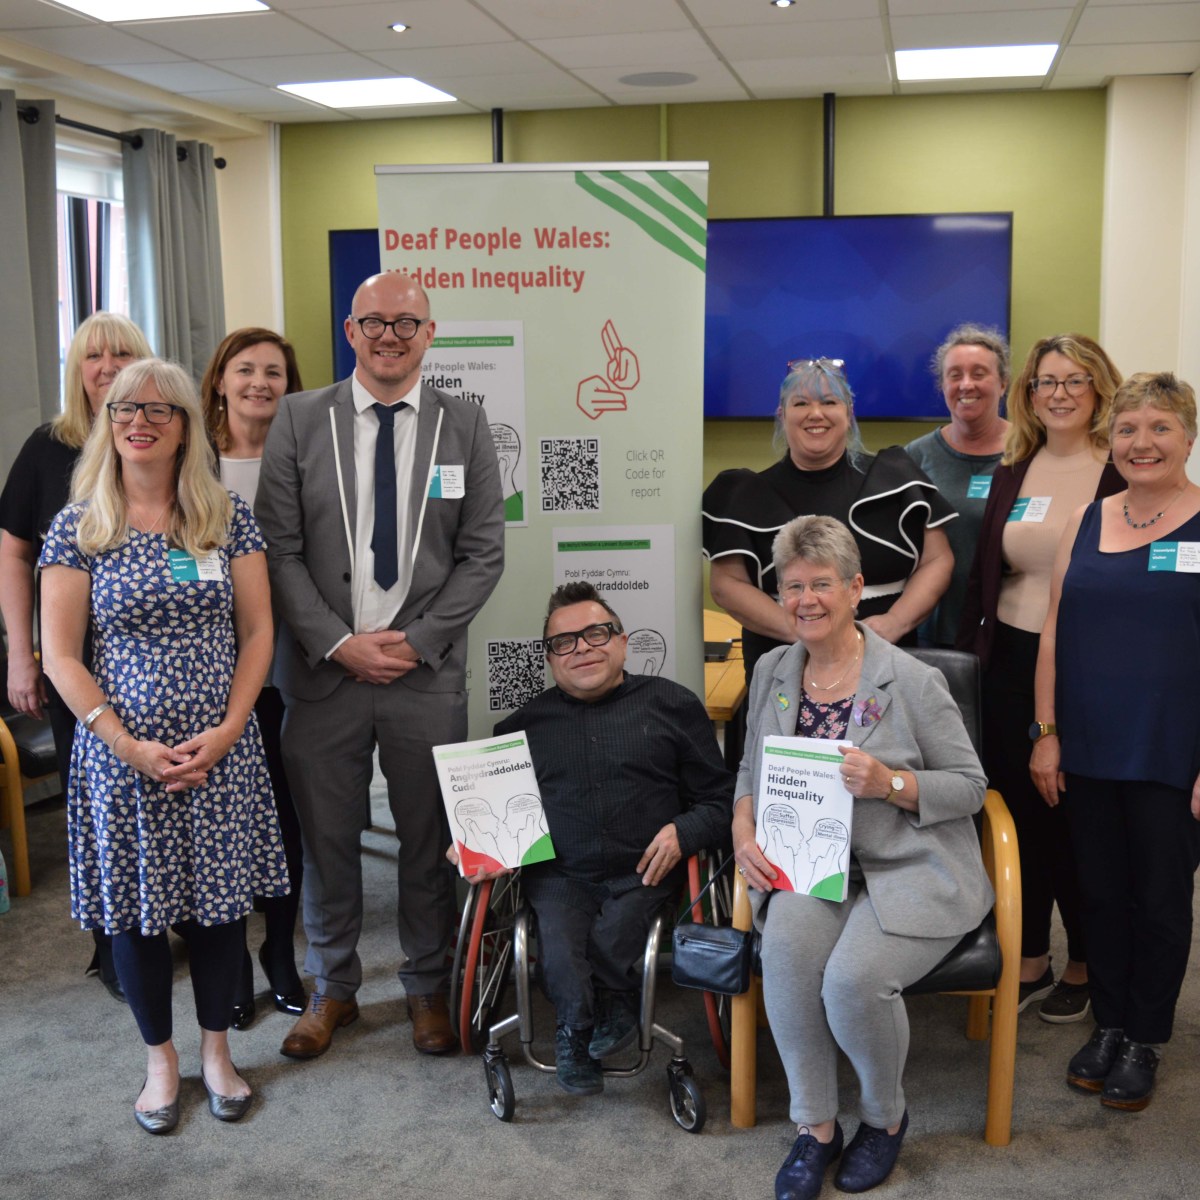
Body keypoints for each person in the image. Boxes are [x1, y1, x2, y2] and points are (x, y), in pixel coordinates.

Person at [255, 271, 505, 1060]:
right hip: (322, 672)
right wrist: (338, 642)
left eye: (405, 323)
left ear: (430, 334)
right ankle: (332, 987)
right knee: (326, 841)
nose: (389, 335)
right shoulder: (299, 419)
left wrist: (417, 641)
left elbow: (483, 553)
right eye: (373, 322)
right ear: (350, 330)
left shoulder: (466, 423)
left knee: (427, 840)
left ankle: (426, 985)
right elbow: (278, 550)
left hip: (422, 676)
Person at [38, 358, 287, 1134]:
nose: (139, 421)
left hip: (221, 753)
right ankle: (160, 1063)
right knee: (135, 914)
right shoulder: (79, 527)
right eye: (123, 409)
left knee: (219, 910)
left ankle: (216, 1053)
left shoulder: (224, 516)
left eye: (158, 409)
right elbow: (61, 656)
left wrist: (230, 729)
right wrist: (128, 745)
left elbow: (259, 632)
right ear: (107, 425)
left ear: (185, 425)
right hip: (121, 761)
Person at [732, 515, 990, 1200]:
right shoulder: (772, 670)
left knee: (852, 985)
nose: (805, 600)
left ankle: (884, 1118)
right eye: (792, 586)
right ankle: (816, 1127)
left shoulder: (911, 679)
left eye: (821, 584)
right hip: (810, 863)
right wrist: (741, 825)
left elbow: (970, 787)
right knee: (787, 959)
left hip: (909, 864)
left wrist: (892, 784)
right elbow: (752, 770)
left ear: (854, 589)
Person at [476, 582, 731, 1094]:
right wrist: (472, 845)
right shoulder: (519, 729)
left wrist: (684, 832)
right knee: (558, 948)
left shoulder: (673, 705)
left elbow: (723, 800)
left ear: (622, 641)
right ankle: (576, 1029)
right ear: (550, 658)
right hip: (560, 873)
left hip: (644, 868)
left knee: (614, 936)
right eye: (564, 642)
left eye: (596, 634)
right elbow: (485, 814)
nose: (582, 649)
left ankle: (612, 1002)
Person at [1032, 372, 1200, 1112]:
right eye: (1128, 428)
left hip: (1172, 749)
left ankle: (1146, 1037)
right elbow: (1053, 630)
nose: (1142, 442)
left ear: (1188, 437)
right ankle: (1109, 1023)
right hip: (1089, 745)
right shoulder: (1086, 519)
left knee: (1159, 899)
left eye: (1160, 427)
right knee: (1097, 893)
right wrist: (1046, 732)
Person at [957, 333, 1123, 1023]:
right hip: (1009, 663)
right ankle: (1030, 956)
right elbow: (989, 573)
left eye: (1075, 380)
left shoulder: (1119, 469)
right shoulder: (1013, 469)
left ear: (1100, 389)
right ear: (1029, 394)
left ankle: (1085, 959)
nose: (1059, 394)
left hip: (1087, 666)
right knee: (1019, 813)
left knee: (1077, 817)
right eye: (1046, 382)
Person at [0, 311, 151, 1001]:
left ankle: (173, 917)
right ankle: (112, 945)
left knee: (166, 789)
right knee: (98, 804)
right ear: (77, 369)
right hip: (73, 664)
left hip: (159, 661)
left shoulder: (171, 436)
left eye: (122, 353)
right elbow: (13, 553)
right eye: (94, 355)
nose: (108, 366)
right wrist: (21, 653)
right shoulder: (47, 448)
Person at [703, 358, 955, 683]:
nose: (815, 413)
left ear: (848, 413)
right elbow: (727, 584)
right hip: (783, 669)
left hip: (888, 661)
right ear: (782, 415)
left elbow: (937, 560)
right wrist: (800, 630)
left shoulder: (897, 480)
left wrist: (895, 622)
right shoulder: (745, 493)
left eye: (829, 402)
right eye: (801, 403)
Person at [200, 327, 307, 1028]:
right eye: (245, 369)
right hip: (215, 670)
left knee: (286, 814)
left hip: (294, 661)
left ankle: (280, 951)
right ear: (219, 380)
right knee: (224, 821)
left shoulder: (308, 452)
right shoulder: (191, 460)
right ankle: (232, 959)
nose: (259, 383)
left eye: (274, 371)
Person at [905, 324, 1010, 646]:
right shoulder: (914, 458)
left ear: (1003, 383)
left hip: (1009, 633)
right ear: (943, 385)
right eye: (954, 375)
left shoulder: (1030, 454)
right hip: (934, 635)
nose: (966, 384)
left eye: (979, 373)